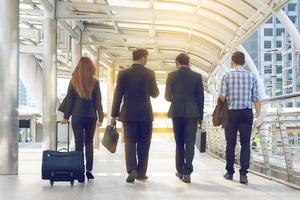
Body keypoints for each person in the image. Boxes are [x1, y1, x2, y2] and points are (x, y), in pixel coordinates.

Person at [111, 48, 159, 183]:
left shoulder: (123, 74)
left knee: (130, 143)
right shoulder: (149, 73)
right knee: (144, 143)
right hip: (145, 115)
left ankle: (132, 170)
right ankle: (141, 173)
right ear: (143, 58)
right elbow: (155, 94)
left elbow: (117, 96)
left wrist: (114, 115)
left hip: (128, 115)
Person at [218, 51, 261, 184]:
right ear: (244, 62)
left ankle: (230, 172)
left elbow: (222, 97)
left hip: (231, 114)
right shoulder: (251, 76)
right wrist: (259, 117)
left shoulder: (226, 75)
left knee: (230, 144)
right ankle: (243, 175)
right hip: (246, 114)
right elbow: (255, 98)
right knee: (245, 144)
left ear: (233, 61)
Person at [61, 57, 104, 182]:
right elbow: (98, 102)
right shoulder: (95, 82)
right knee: (89, 143)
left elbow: (70, 101)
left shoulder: (73, 81)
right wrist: (100, 117)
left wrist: (65, 117)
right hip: (91, 116)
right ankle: (89, 170)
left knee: (78, 144)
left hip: (77, 116)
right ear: (91, 68)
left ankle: (79, 172)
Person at [165, 53, 204, 183]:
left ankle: (179, 171)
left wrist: (175, 99)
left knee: (179, 143)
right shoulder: (197, 76)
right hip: (192, 113)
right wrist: (201, 117)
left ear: (177, 63)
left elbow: (167, 96)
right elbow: (201, 99)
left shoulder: (171, 76)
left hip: (176, 112)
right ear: (188, 63)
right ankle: (187, 172)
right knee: (190, 144)